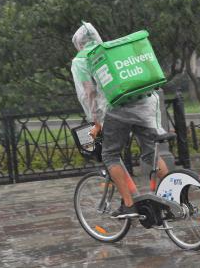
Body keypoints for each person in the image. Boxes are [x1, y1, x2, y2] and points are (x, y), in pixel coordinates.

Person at [71, 22, 169, 218]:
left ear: (79, 44)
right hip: (144, 104)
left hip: (117, 110)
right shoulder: (109, 51)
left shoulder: (81, 60)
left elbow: (89, 93)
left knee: (110, 155)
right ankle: (172, 195)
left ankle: (128, 204)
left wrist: (95, 120)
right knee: (150, 154)